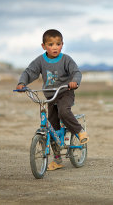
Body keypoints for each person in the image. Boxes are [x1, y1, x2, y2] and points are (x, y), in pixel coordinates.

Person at [16, 29, 89, 171]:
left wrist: (74, 81)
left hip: (65, 93)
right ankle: (57, 159)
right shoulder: (40, 61)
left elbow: (76, 72)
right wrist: (22, 83)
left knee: (63, 111)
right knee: (52, 125)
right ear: (43, 46)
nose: (54, 47)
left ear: (62, 45)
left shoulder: (66, 59)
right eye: (51, 44)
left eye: (58, 44)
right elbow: (29, 72)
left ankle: (79, 131)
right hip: (50, 96)